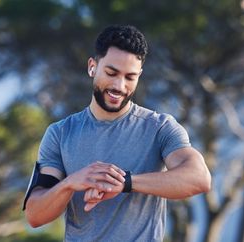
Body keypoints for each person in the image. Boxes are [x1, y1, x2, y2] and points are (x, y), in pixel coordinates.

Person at [23, 24, 211, 242]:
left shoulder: (160, 127)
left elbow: (199, 178)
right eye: (111, 73)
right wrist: (70, 183)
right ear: (92, 67)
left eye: (130, 77)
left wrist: (125, 183)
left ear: (139, 76)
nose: (119, 86)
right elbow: (34, 215)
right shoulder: (60, 133)